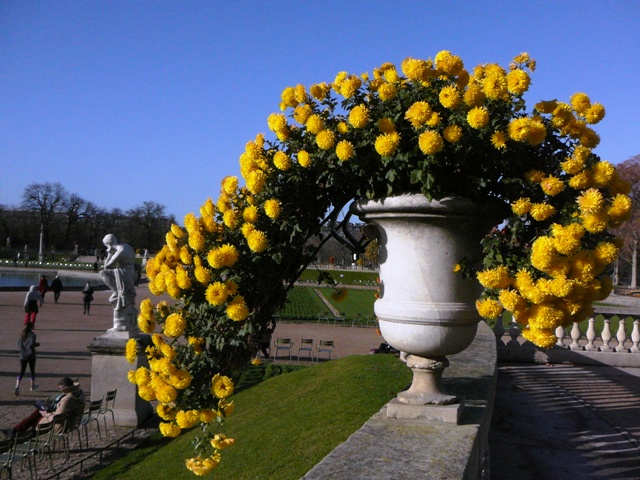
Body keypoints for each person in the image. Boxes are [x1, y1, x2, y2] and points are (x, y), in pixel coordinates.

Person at [12, 377, 85, 434]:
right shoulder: (79, 394)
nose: (61, 391)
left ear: (65, 387)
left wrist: (46, 414)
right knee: (38, 412)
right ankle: (17, 430)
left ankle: (17, 432)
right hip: (71, 421)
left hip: (61, 425)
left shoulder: (67, 399)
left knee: (36, 418)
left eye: (61, 389)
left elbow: (56, 418)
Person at [15, 323, 39, 396]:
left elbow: (19, 344)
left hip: (22, 356)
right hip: (31, 355)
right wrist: (37, 344)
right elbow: (32, 344)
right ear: (31, 327)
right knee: (32, 370)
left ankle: (17, 385)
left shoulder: (22, 334)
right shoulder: (32, 335)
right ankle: (32, 386)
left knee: (22, 371)